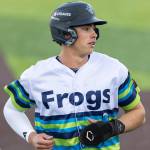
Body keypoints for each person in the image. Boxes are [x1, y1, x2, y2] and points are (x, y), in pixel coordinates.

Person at [3, 1, 145, 150]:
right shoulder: (37, 76)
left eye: (94, 29)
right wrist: (30, 136)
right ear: (66, 33)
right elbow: (11, 109)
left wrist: (111, 128)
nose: (94, 34)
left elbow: (138, 112)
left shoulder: (113, 70)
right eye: (86, 28)